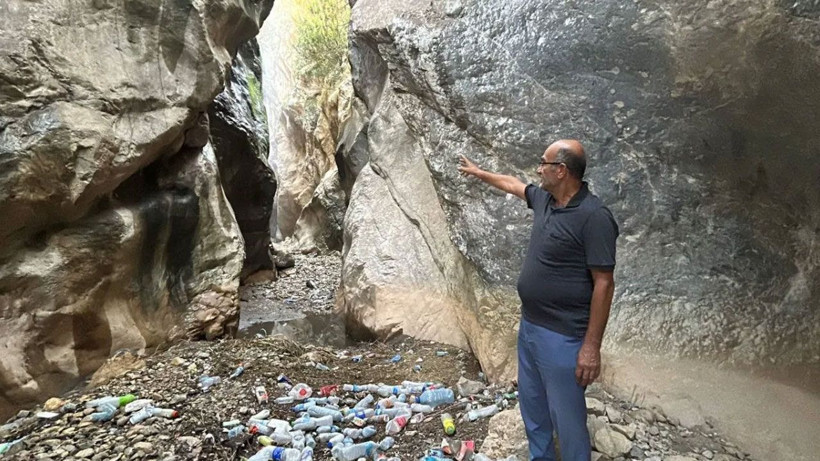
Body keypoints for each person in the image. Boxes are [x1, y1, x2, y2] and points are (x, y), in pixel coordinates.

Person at [458, 140, 618, 461]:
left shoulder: (594, 216)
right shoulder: (545, 199)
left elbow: (604, 283)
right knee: (533, 408)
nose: (538, 169)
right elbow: (513, 184)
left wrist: (591, 347)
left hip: (563, 336)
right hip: (530, 327)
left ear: (561, 171)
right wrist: (479, 173)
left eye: (543, 163)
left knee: (568, 421)